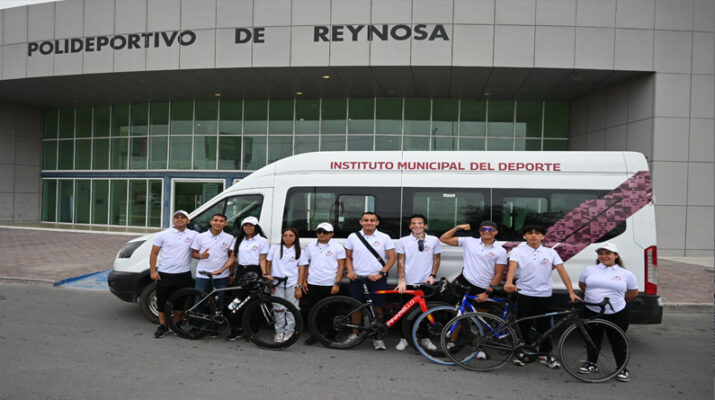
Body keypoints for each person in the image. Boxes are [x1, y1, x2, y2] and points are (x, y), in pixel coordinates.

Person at [505, 224, 581, 368]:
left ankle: (546, 354)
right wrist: (509, 282)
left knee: (544, 326)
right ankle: (525, 352)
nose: (533, 235)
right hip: (524, 293)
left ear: (543, 236)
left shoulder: (550, 252)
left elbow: (562, 271)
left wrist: (571, 292)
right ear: (525, 236)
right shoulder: (517, 251)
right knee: (524, 325)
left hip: (544, 294)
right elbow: (512, 268)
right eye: (530, 233)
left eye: (537, 233)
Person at [440, 220, 508, 355]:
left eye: (490, 229)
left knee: (482, 319)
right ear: (479, 231)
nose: (486, 232)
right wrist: (458, 227)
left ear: (496, 232)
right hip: (465, 283)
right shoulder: (469, 241)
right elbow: (443, 239)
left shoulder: (500, 251)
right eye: (483, 229)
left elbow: (499, 274)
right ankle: (452, 342)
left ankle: (479, 346)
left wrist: (487, 292)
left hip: (484, 287)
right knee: (460, 315)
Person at [578, 243, 638, 382]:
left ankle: (621, 368)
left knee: (617, 341)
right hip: (591, 310)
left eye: (608, 253)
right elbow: (582, 284)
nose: (604, 256)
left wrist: (619, 301)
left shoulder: (626, 274)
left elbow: (633, 292)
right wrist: (593, 297)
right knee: (592, 339)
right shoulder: (589, 270)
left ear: (616, 255)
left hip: (617, 312)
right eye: (601, 253)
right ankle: (591, 363)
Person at [344, 212, 396, 350]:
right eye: (366, 220)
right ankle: (355, 334)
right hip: (357, 278)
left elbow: (392, 258)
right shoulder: (353, 237)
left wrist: (381, 273)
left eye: (372, 220)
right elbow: (348, 257)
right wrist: (350, 271)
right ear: (361, 222)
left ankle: (377, 336)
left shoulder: (384, 237)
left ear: (377, 222)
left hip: (377, 279)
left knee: (378, 307)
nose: (369, 223)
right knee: (356, 306)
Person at [394, 214, 442, 351]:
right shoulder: (403, 241)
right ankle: (404, 338)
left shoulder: (433, 240)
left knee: (426, 313)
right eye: (413, 223)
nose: (417, 226)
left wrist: (432, 275)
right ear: (410, 226)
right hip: (408, 283)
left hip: (426, 283)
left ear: (425, 225)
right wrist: (402, 280)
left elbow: (437, 259)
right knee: (404, 312)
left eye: (420, 223)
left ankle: (425, 338)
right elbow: (400, 261)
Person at [149, 210, 198, 338]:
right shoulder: (163, 235)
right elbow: (154, 253)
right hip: (165, 274)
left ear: (188, 221)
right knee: (162, 301)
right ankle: (163, 326)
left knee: (180, 302)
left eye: (183, 217)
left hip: (184, 274)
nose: (179, 219)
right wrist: (153, 271)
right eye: (177, 217)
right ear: (173, 220)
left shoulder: (194, 235)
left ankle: (176, 324)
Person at [224, 216, 270, 341]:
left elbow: (262, 259)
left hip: (255, 271)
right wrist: (222, 270)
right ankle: (235, 329)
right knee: (236, 300)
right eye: (246, 225)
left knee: (254, 302)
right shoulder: (238, 239)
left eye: (251, 225)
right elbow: (232, 258)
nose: (248, 227)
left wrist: (265, 274)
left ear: (256, 227)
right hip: (241, 271)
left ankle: (251, 331)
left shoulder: (262, 241)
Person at [302, 222, 346, 345]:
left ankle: (332, 334)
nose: (322, 234)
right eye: (319, 232)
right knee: (314, 311)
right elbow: (306, 264)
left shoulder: (337, 247)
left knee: (331, 310)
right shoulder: (310, 246)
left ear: (331, 234)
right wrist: (304, 281)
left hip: (330, 283)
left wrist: (337, 283)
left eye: (325, 232)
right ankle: (315, 334)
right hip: (313, 282)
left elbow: (341, 266)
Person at [265, 227, 308, 343]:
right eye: (285, 235)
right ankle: (279, 331)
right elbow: (268, 264)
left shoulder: (300, 251)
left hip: (292, 283)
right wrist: (269, 281)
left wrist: (299, 287)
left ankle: (289, 331)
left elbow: (302, 270)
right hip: (276, 283)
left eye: (291, 235)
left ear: (295, 238)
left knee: (291, 309)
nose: (288, 238)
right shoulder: (275, 248)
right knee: (278, 308)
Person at [191, 213, 236, 313]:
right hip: (203, 274)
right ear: (211, 222)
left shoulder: (230, 238)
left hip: (222, 275)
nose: (218, 223)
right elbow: (193, 254)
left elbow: (231, 257)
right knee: (199, 300)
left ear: (225, 223)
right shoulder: (200, 237)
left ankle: (216, 321)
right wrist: (201, 256)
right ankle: (197, 322)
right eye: (215, 220)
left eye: (221, 221)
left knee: (220, 301)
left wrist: (231, 273)